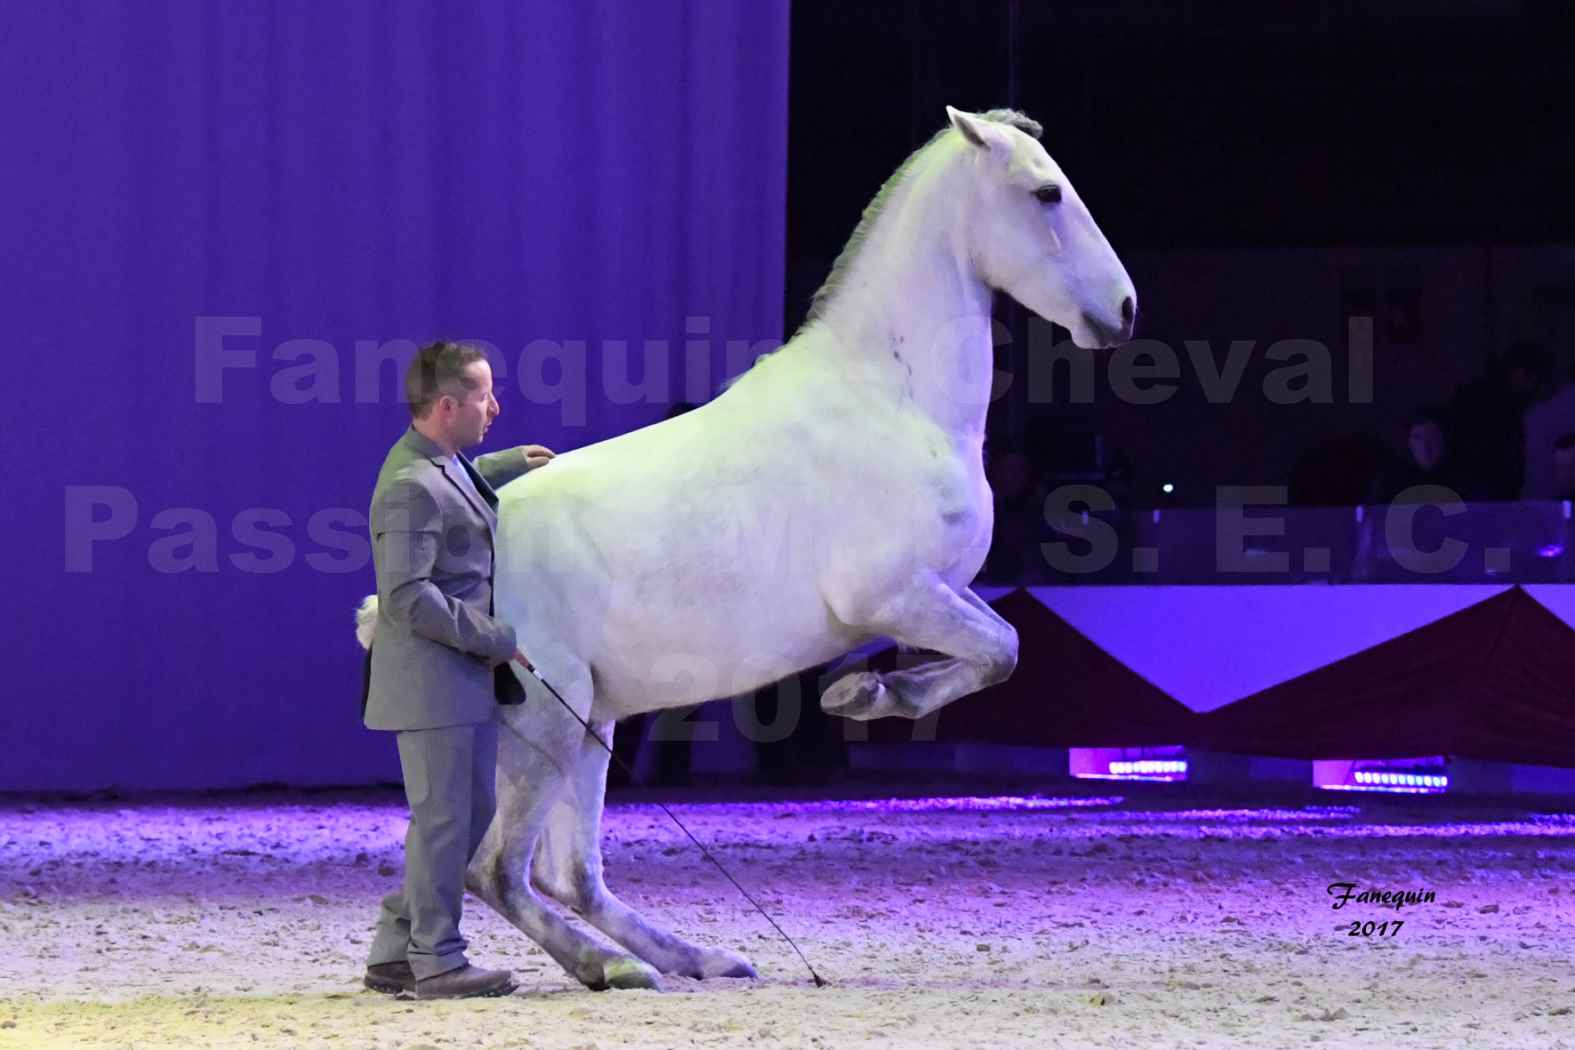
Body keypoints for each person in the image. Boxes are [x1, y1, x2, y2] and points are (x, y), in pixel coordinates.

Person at [361, 341, 554, 999]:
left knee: (462, 817)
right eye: (482, 397)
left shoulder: (436, 463)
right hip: (432, 685)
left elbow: (455, 484)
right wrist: (495, 637)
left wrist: (503, 464)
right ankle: (438, 961)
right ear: (447, 406)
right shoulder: (410, 487)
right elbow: (407, 596)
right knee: (448, 821)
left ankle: (396, 950)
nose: (494, 407)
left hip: (453, 682)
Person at [1449, 340, 1551, 501]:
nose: (1534, 387)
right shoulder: (1500, 405)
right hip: (1485, 487)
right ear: (1518, 373)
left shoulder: (1480, 396)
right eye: (1533, 379)